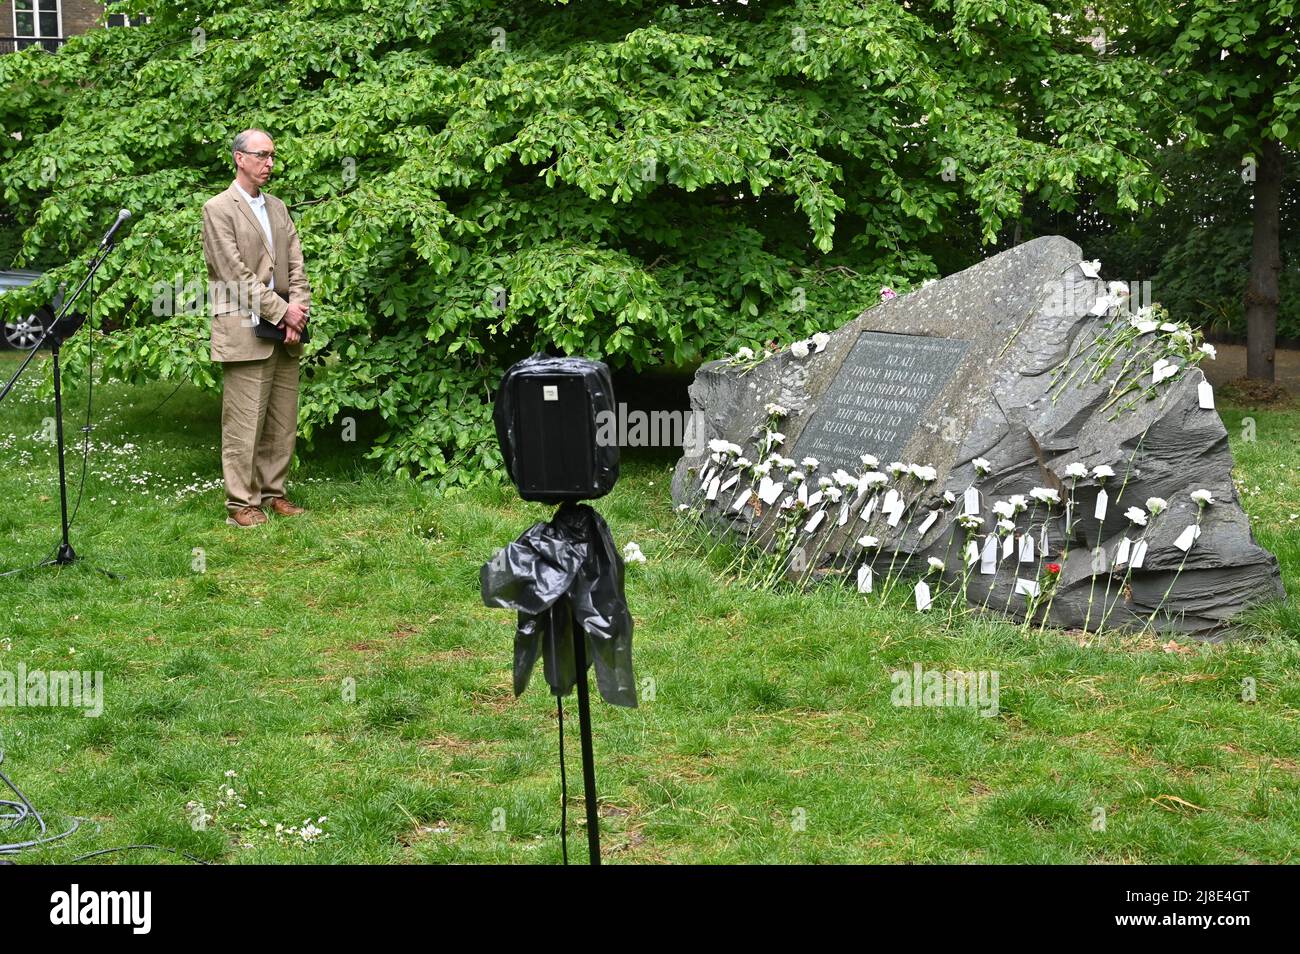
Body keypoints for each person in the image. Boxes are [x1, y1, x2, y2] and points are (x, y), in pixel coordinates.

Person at [201, 128, 312, 527]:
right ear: (239, 158)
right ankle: (240, 505)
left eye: (272, 156)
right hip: (245, 329)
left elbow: (297, 264)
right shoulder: (218, 208)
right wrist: (283, 312)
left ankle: (273, 493)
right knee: (244, 422)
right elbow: (233, 274)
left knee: (282, 420)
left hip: (285, 332)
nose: (269, 163)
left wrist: (298, 310)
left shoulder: (278, 208)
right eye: (261, 155)